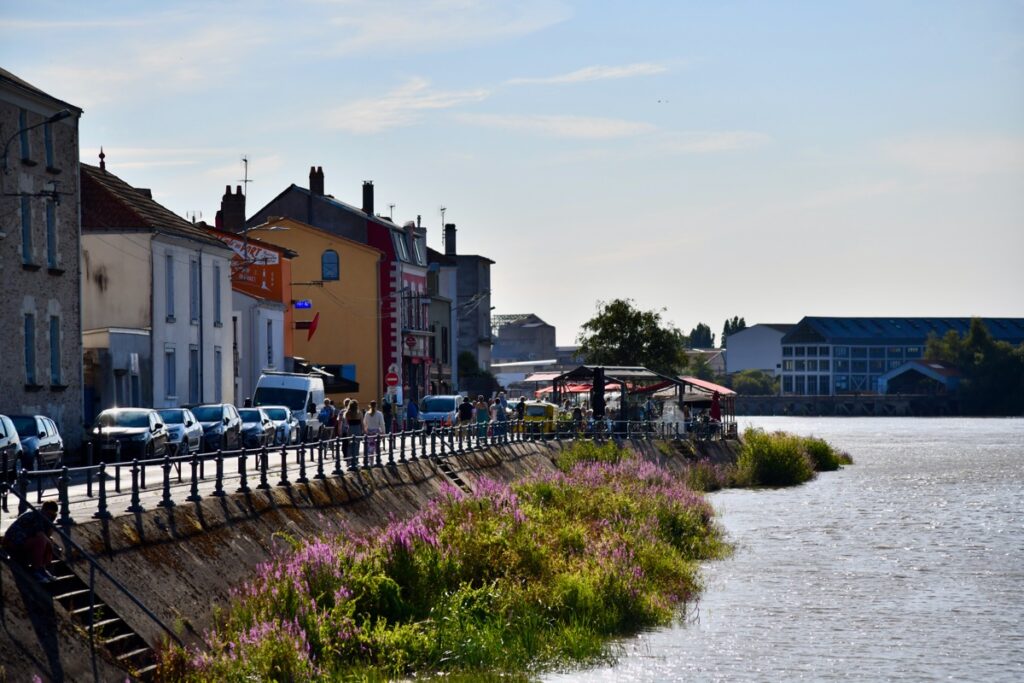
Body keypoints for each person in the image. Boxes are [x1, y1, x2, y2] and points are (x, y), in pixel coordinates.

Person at [2, 500, 59, 582]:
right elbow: (40, 534)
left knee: (47, 540)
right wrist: (50, 543)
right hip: (12, 542)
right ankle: (36, 570)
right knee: (42, 540)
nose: (50, 516)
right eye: (50, 514)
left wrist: (51, 523)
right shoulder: (36, 515)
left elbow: (48, 535)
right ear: (45, 510)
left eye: (52, 514)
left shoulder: (44, 518)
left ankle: (42, 568)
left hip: (23, 541)